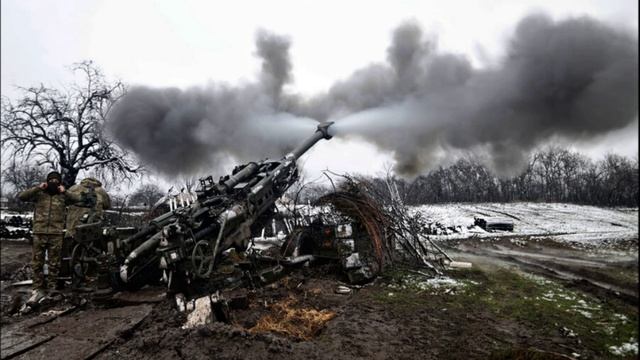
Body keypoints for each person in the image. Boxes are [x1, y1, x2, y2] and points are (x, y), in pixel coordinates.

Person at [18, 171, 81, 305]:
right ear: (47, 181)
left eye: (56, 180)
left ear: (59, 182)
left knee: (54, 263)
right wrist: (38, 188)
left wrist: (65, 192)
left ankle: (52, 288)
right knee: (37, 263)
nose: (53, 182)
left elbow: (78, 199)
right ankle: (37, 288)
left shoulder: (62, 196)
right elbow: (21, 196)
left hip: (56, 234)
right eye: (51, 180)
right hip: (39, 232)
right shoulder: (39, 194)